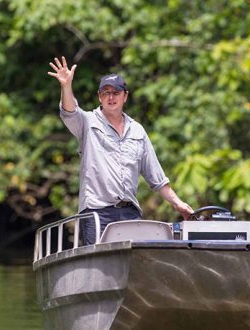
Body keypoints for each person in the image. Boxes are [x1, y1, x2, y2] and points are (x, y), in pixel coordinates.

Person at [47, 56, 194, 245]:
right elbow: (69, 112)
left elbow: (156, 177)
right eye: (106, 92)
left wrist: (178, 204)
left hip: (129, 212)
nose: (111, 97)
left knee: (136, 263)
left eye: (116, 92)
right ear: (99, 97)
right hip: (96, 212)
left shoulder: (138, 131)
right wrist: (66, 86)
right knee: (99, 263)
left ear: (125, 96)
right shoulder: (87, 123)